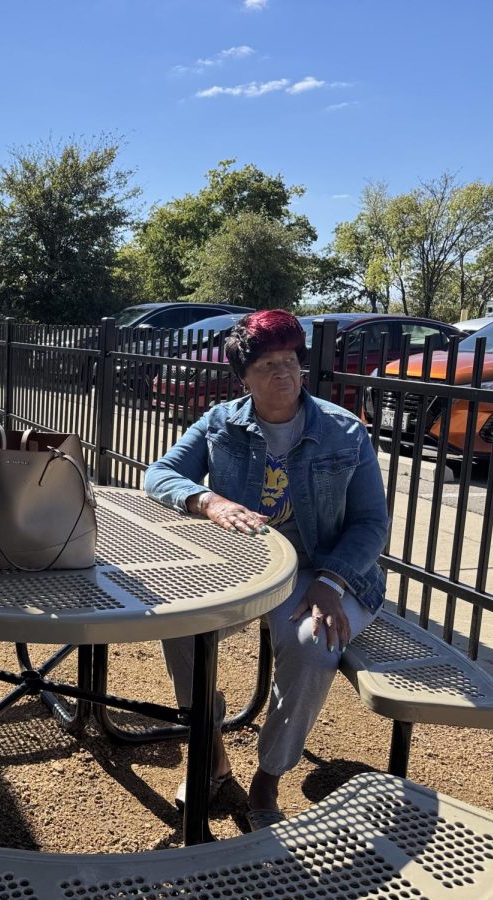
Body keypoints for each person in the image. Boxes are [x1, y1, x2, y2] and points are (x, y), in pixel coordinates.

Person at [143, 309, 388, 831]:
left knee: (311, 644)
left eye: (291, 361)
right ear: (243, 377)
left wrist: (331, 583)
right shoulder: (221, 423)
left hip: (326, 571)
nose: (285, 373)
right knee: (182, 623)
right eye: (268, 364)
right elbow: (160, 474)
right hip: (248, 569)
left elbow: (371, 524)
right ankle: (209, 753)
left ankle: (268, 777)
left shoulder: (345, 431)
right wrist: (207, 500)